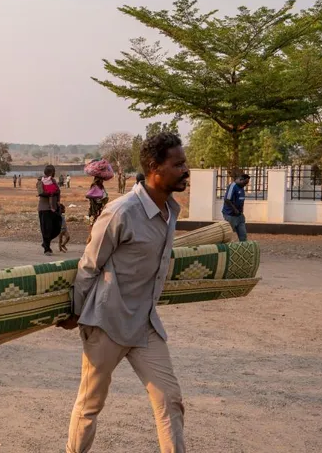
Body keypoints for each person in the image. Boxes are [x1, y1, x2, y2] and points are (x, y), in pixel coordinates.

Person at [60, 132, 189, 453]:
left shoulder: (171, 210)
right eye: (178, 164)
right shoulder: (121, 212)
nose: (186, 170)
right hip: (107, 323)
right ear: (156, 169)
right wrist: (76, 312)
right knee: (90, 404)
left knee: (170, 401)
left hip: (145, 324)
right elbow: (90, 264)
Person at [36, 165, 62, 256]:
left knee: (57, 227)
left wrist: (58, 201)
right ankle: (47, 248)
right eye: (54, 171)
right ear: (51, 172)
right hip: (44, 208)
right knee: (46, 229)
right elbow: (40, 192)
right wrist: (51, 193)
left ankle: (45, 242)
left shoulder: (53, 181)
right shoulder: (40, 181)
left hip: (54, 208)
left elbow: (58, 191)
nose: (54, 173)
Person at [223, 173, 249, 242]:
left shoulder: (241, 187)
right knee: (227, 236)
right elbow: (227, 200)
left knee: (243, 236)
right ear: (240, 179)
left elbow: (241, 200)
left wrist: (241, 212)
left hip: (240, 216)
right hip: (230, 215)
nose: (245, 185)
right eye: (245, 183)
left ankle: (244, 250)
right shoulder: (232, 186)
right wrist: (235, 210)